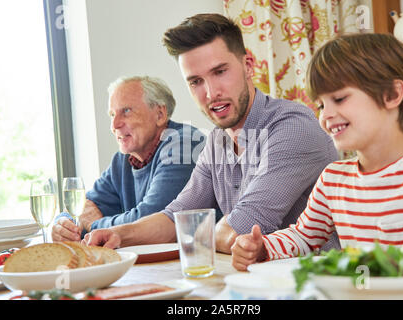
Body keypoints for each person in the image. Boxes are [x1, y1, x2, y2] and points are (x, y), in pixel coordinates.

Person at [82, 13, 338, 253]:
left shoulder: (293, 127)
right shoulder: (217, 139)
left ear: (248, 65)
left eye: (220, 72)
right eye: (195, 81)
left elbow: (236, 232)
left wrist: (194, 233)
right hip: (252, 283)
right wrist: (117, 234)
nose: (210, 93)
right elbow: (176, 217)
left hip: (318, 286)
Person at [231, 33, 403, 271]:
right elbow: (304, 237)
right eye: (321, 105)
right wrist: (262, 247)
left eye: (339, 99)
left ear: (392, 95)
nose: (326, 115)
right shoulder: (334, 178)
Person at [52, 76, 206, 242]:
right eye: (112, 114)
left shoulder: (184, 143)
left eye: (126, 111)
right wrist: (63, 224)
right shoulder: (123, 160)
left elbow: (151, 220)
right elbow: (83, 209)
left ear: (160, 114)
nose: (114, 125)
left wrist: (94, 225)